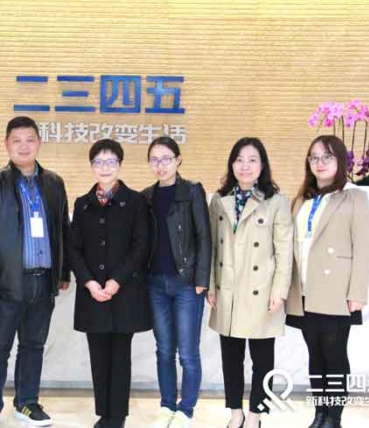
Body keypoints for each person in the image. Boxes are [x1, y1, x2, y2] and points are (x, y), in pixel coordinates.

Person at [0, 116, 70, 428]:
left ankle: (26, 403)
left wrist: (63, 272)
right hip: (6, 282)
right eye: (17, 140)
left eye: (30, 140)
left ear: (39, 142)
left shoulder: (54, 183)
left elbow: (63, 230)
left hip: (44, 281)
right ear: (6, 145)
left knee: (33, 347)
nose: (24, 146)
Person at [207, 137, 293, 428]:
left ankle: (256, 414)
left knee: (262, 360)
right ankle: (236, 413)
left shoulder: (276, 201)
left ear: (262, 165)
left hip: (262, 291)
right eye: (239, 160)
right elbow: (211, 248)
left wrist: (280, 291)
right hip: (227, 290)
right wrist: (211, 284)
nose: (245, 166)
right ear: (232, 164)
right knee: (231, 358)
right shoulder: (219, 200)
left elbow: (284, 251)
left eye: (252, 160)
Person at [286, 135, 369, 428]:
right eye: (314, 157)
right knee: (315, 354)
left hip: (336, 291)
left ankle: (334, 418)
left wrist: (358, 292)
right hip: (304, 291)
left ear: (340, 161)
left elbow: (362, 248)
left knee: (334, 355)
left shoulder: (354, 196)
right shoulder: (302, 199)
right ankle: (320, 414)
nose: (319, 163)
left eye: (327, 157)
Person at [69, 139, 150, 428]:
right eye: (99, 162)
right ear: (92, 166)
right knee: (98, 357)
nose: (105, 168)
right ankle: (104, 414)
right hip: (92, 295)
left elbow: (141, 246)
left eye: (111, 162)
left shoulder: (136, 202)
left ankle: (117, 417)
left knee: (120, 358)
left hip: (124, 293)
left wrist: (117, 280)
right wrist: (89, 282)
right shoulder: (82, 204)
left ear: (120, 165)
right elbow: (73, 249)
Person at [142, 137, 211, 428]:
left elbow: (204, 236)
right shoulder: (146, 196)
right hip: (155, 284)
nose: (161, 165)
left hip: (186, 284)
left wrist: (202, 279)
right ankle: (167, 405)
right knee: (164, 350)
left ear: (178, 160)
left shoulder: (192, 191)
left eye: (166, 159)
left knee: (188, 353)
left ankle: (186, 409)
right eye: (155, 160)